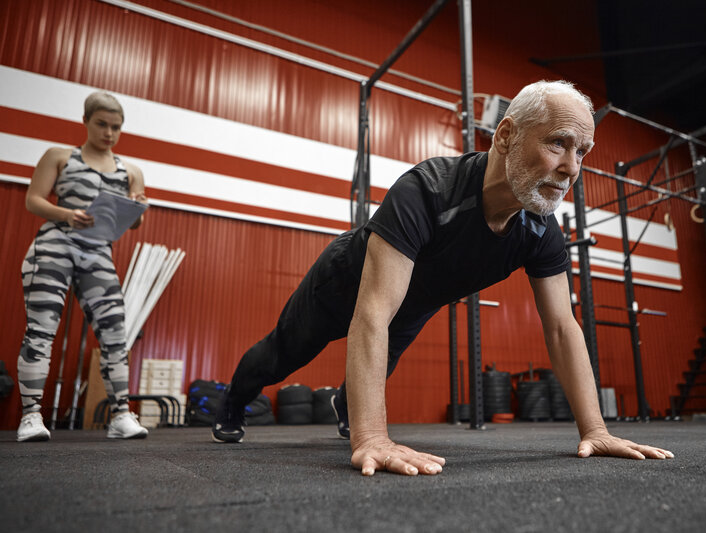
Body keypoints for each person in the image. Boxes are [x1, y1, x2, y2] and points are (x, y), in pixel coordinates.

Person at [212, 80, 674, 475]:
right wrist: (372, 439)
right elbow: (373, 309)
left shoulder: (539, 231)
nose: (572, 168)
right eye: (558, 143)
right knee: (281, 355)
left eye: (582, 152)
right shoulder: (428, 190)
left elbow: (561, 326)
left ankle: (347, 406)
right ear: (507, 135)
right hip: (346, 283)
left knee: (370, 381)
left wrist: (595, 429)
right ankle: (233, 403)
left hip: (415, 302)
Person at [16, 91, 149, 442]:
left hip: (97, 252)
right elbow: (33, 200)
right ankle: (31, 416)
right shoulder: (60, 156)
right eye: (102, 124)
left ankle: (121, 414)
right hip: (55, 244)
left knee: (116, 333)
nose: (109, 133)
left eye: (116, 127)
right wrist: (67, 214)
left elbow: (132, 225)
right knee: (41, 330)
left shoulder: (131, 171)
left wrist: (137, 210)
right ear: (86, 121)